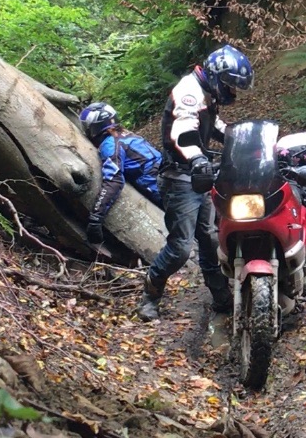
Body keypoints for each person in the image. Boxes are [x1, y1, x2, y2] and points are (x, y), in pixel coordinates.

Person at [137, 44, 254, 322]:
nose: (232, 92)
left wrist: (242, 140)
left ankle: (221, 298)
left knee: (210, 239)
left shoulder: (206, 93)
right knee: (180, 248)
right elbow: (182, 131)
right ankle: (149, 295)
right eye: (230, 84)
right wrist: (197, 158)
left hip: (198, 175)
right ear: (215, 76)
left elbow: (212, 124)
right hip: (179, 177)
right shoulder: (189, 92)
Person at [79, 102, 163, 245]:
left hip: (164, 191)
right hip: (176, 181)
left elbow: (114, 179)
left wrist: (96, 218)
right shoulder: (129, 135)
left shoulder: (110, 143)